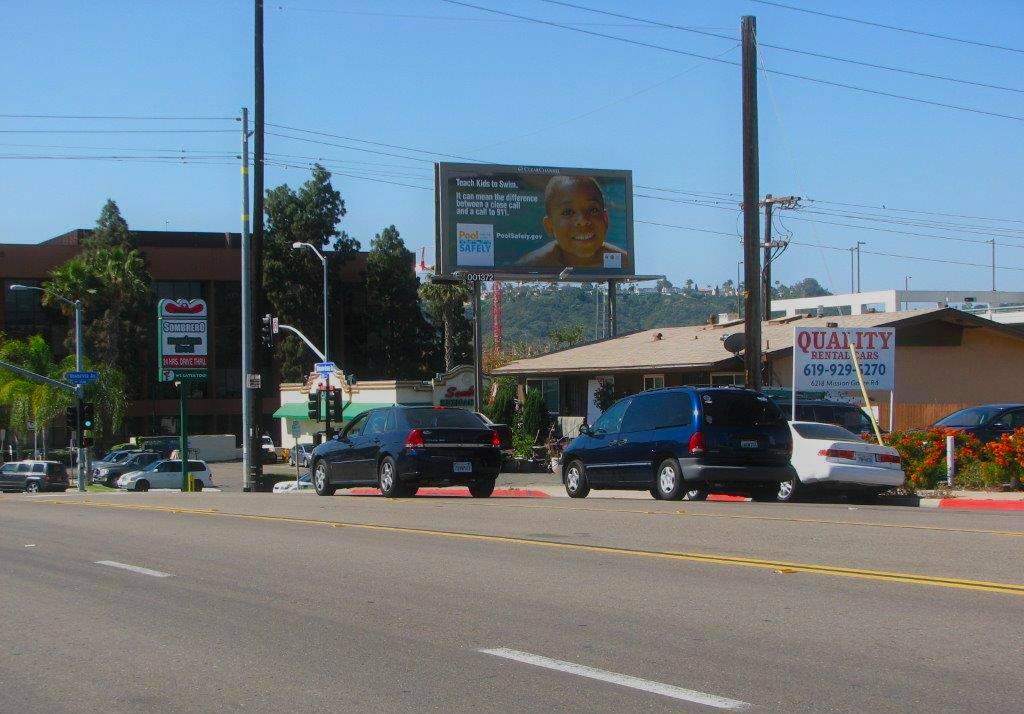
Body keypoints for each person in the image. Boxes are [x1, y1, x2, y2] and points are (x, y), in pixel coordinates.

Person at [515, 175, 628, 269]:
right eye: (568, 212)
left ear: (605, 219)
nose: (583, 221)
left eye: (593, 210)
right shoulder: (533, 264)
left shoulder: (623, 261)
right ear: (549, 226)